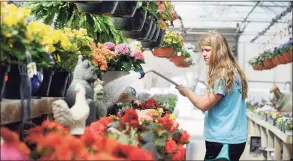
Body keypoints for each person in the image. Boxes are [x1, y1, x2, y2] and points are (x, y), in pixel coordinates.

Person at [176, 31, 248, 161]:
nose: (203, 54)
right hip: (229, 138)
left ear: (219, 50)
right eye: (202, 50)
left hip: (224, 139)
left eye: (207, 50)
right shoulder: (231, 70)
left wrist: (187, 92)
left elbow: (203, 105)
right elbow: (209, 99)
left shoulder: (222, 74)